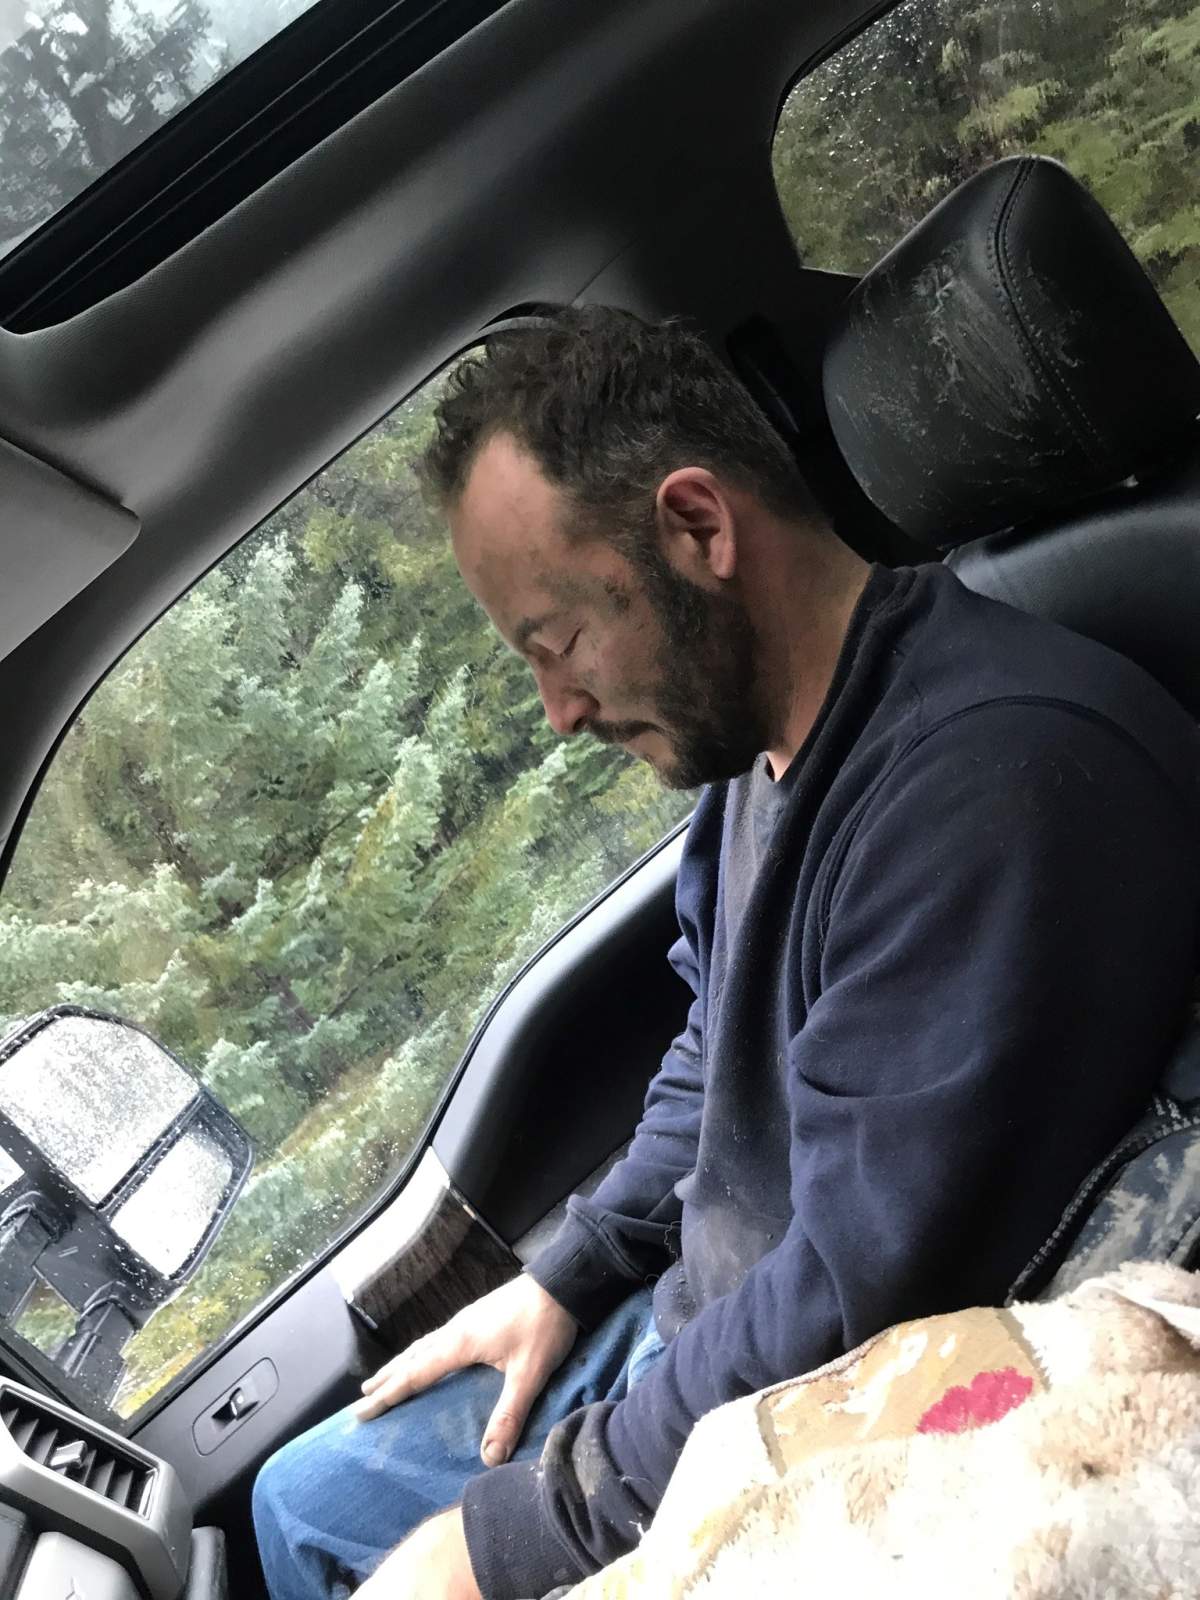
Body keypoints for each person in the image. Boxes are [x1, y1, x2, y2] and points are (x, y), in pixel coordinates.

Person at [253, 306, 1200, 1600]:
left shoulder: (997, 786)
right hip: (694, 1344)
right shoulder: (756, 770)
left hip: (830, 1425)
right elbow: (712, 1062)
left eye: (559, 641)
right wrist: (570, 1277)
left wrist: (520, 1534)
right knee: (297, 1496)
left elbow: (854, 1299)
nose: (560, 710)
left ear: (699, 529)